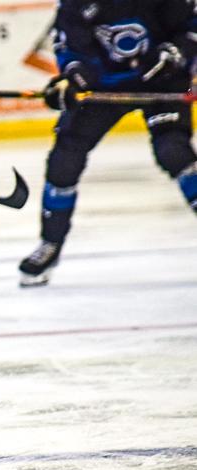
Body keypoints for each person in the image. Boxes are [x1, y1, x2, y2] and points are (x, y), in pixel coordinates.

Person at [19, 0, 197, 286]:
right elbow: (72, 49)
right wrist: (72, 80)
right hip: (105, 86)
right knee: (65, 158)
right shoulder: (76, 3)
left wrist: (175, 53)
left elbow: (190, 27)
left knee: (173, 151)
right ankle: (50, 243)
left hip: (162, 81)